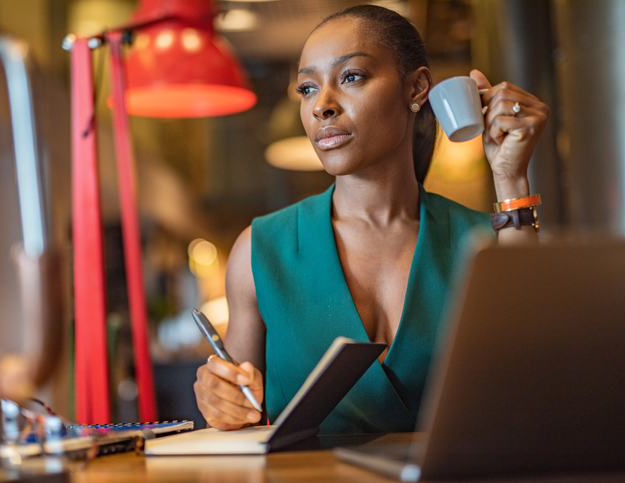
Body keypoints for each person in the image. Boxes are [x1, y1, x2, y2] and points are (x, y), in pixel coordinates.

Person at [194, 4, 548, 434]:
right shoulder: (261, 249)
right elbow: (239, 416)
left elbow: (533, 387)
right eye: (307, 88)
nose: (321, 106)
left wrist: (510, 178)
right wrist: (221, 398)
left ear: (417, 88)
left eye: (351, 77)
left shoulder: (484, 243)